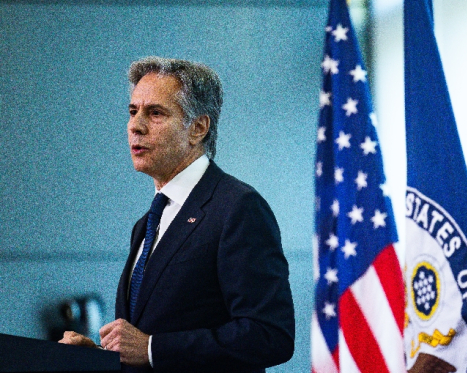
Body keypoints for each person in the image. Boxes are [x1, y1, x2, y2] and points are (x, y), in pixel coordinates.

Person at [59, 57, 295, 372]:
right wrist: (100, 356)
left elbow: (270, 335)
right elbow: (149, 340)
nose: (135, 125)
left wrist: (153, 348)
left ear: (198, 128)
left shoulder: (237, 208)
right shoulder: (146, 223)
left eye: (155, 113)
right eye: (133, 111)